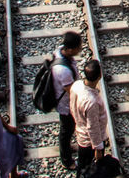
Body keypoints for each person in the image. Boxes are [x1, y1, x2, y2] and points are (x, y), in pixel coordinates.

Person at [51, 31, 83, 169]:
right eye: (78, 48)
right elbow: (71, 90)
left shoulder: (60, 51)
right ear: (70, 49)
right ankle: (66, 159)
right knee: (66, 129)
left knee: (68, 128)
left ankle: (68, 147)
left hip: (66, 101)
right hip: (66, 104)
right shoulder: (62, 70)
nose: (80, 49)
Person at [69, 59, 108, 172]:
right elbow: (93, 127)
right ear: (99, 76)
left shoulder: (76, 86)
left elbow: (72, 106)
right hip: (89, 142)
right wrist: (98, 149)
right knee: (88, 169)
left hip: (81, 132)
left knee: (83, 166)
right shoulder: (91, 102)